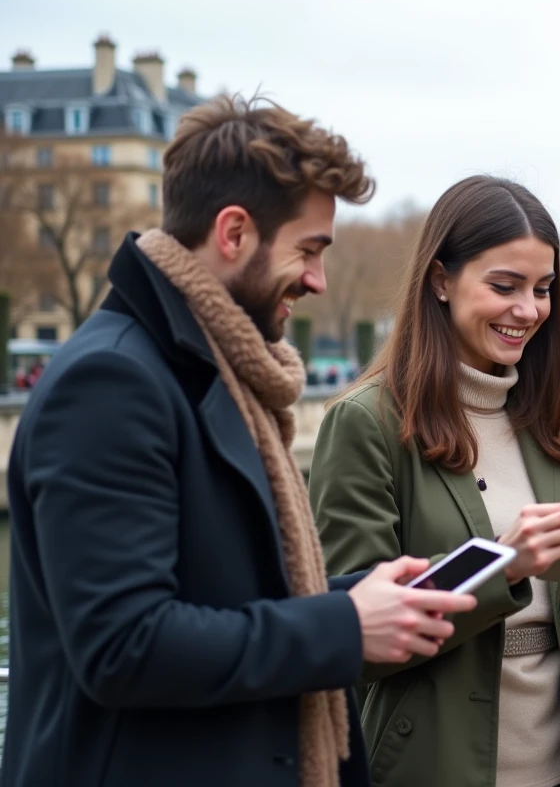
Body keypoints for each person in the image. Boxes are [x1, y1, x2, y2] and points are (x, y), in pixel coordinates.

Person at [1, 95, 477, 787]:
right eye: (308, 250)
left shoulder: (210, 369)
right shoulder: (111, 384)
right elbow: (123, 646)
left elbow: (222, 593)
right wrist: (344, 624)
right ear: (233, 233)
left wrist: (366, 592)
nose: (317, 279)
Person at [309, 175, 560, 787]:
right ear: (440, 280)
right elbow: (353, 639)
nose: (528, 310)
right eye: (504, 286)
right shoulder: (364, 425)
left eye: (542, 288)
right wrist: (503, 564)